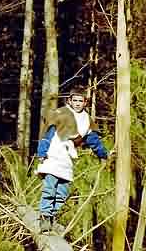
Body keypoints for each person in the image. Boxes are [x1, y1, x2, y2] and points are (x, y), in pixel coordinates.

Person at [36, 86, 109, 232]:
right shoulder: (60, 113)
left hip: (67, 158)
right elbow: (47, 134)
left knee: (62, 192)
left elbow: (92, 139)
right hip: (53, 154)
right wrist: (42, 152)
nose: (77, 103)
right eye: (74, 100)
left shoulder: (87, 120)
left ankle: (52, 218)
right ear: (69, 100)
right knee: (50, 188)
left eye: (80, 101)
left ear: (85, 102)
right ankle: (44, 217)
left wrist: (103, 154)